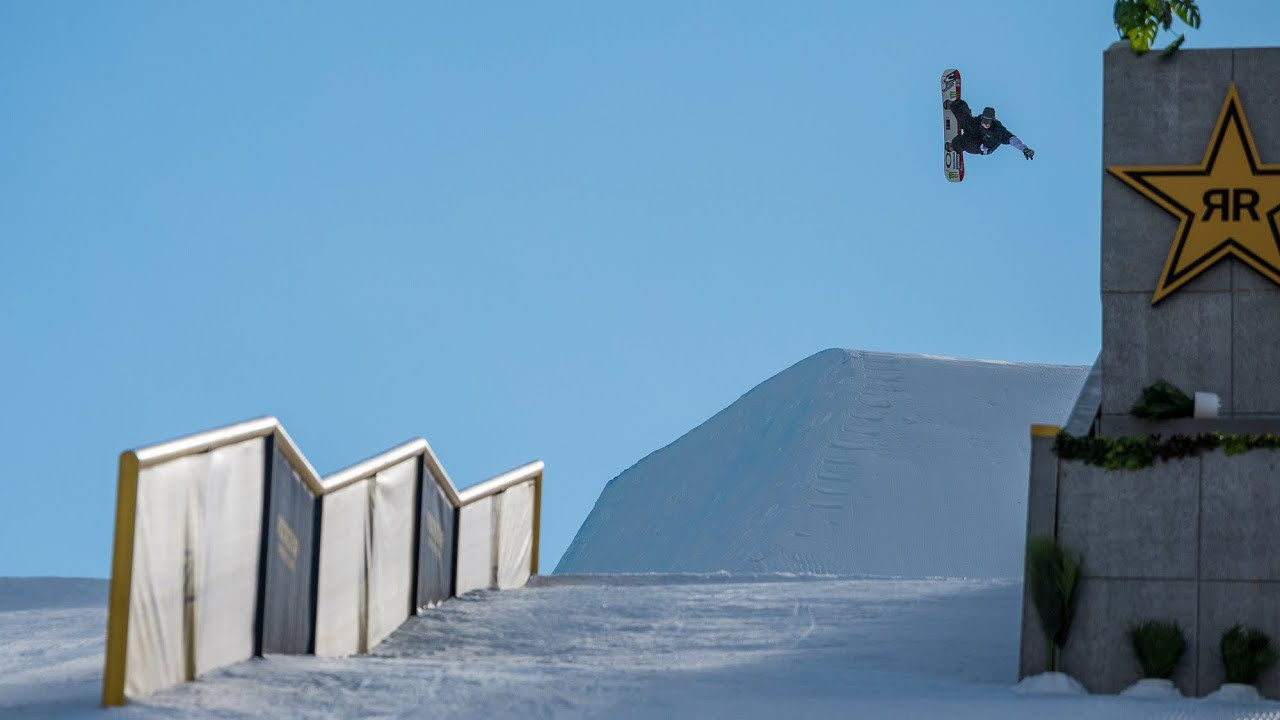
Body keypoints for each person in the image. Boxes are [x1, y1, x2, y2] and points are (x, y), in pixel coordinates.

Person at [945, 99, 1034, 159]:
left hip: (982, 145)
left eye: (987, 123)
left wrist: (1024, 149)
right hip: (975, 130)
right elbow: (968, 119)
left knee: (966, 142)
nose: (985, 125)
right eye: (984, 122)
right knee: (965, 119)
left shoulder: (998, 130)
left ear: (992, 120)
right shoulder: (980, 120)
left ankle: (954, 146)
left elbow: (1013, 140)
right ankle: (954, 105)